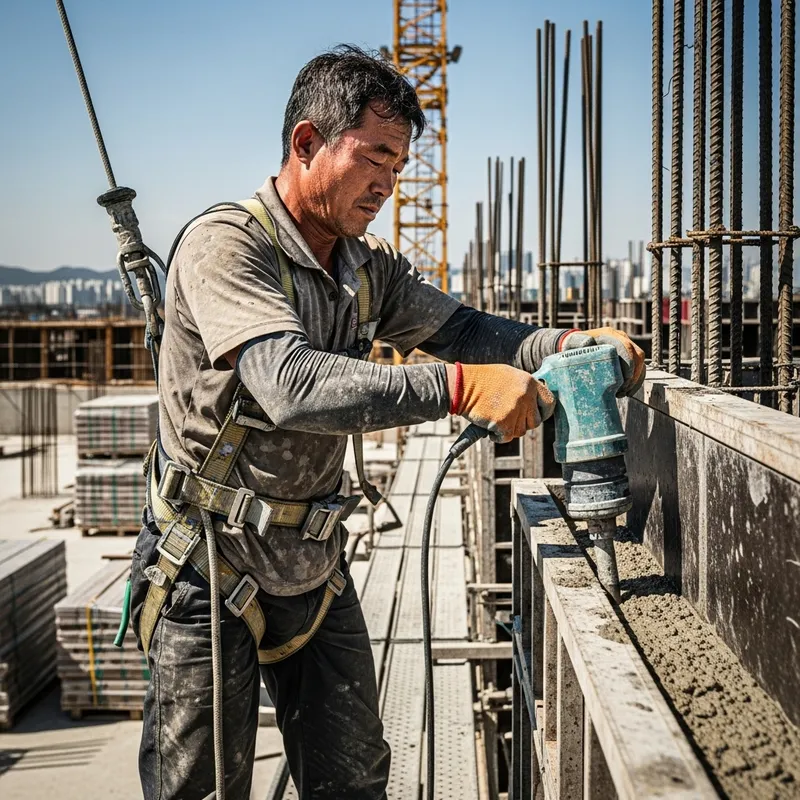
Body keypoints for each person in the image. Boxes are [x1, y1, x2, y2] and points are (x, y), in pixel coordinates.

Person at [129, 45, 645, 800]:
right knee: (202, 788)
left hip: (308, 558)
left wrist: (567, 345)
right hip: (209, 562)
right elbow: (290, 384)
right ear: (307, 144)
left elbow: (464, 330)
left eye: (399, 166)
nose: (389, 184)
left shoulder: (363, 268)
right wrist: (460, 389)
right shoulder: (226, 247)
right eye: (375, 157)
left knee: (355, 778)